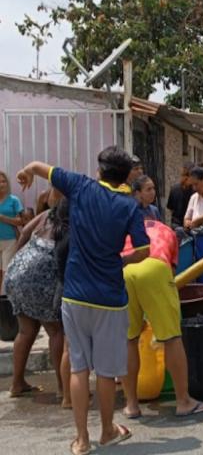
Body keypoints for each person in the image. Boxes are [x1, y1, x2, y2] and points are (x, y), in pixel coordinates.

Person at [16, 146, 150, 454]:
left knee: (79, 368)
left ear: (100, 170)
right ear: (125, 176)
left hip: (75, 295)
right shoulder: (128, 205)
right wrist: (121, 262)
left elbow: (38, 165)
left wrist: (25, 172)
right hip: (110, 298)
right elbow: (144, 251)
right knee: (105, 371)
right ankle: (106, 431)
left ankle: (81, 440)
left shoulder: (80, 185)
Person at [120, 219, 203, 418]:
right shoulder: (168, 232)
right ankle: (184, 401)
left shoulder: (130, 227)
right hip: (155, 265)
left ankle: (131, 405)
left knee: (129, 339)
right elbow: (170, 273)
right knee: (171, 337)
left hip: (124, 269)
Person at [5, 197, 68, 398]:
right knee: (56, 330)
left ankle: (17, 384)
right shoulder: (73, 222)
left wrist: (19, 258)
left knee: (26, 330)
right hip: (42, 276)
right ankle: (62, 387)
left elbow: (24, 232)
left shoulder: (46, 214)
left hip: (18, 271)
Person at [0, 170, 24, 293]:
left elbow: (22, 221)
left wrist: (3, 218)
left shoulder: (14, 200)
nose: (1, 184)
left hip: (10, 241)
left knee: (6, 271)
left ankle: (4, 302)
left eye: (3, 181)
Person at [167, 162, 195, 228]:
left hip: (183, 224)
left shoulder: (174, 188)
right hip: (183, 225)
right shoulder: (195, 191)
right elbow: (171, 208)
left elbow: (171, 208)